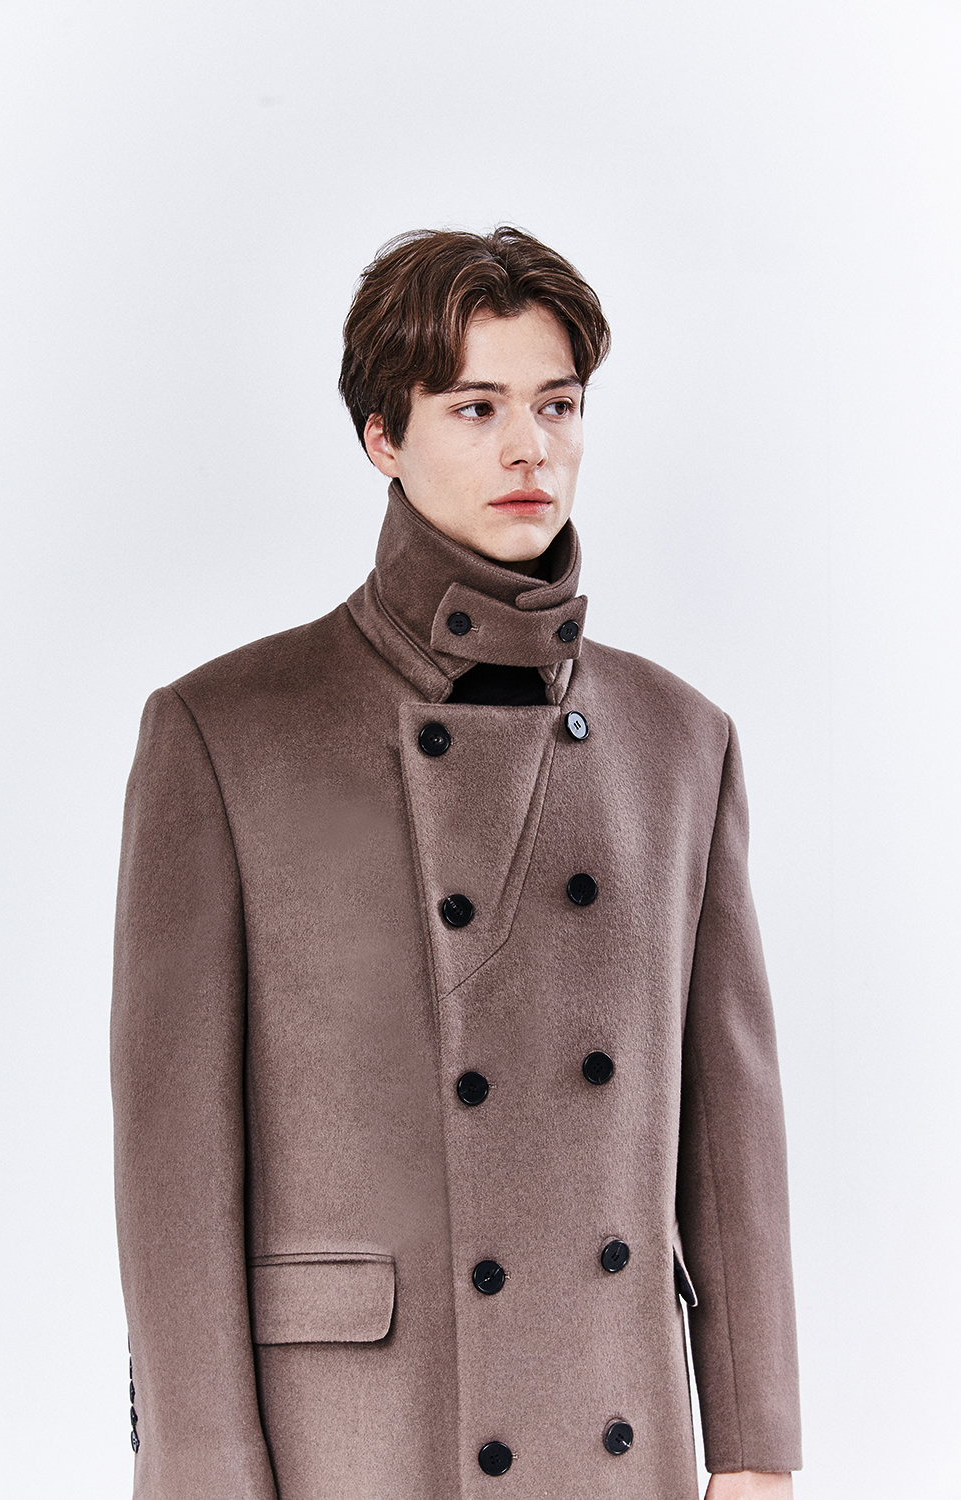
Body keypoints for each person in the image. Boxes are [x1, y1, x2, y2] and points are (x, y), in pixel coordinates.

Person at [111, 226, 801, 1499]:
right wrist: (200, 1469)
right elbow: (173, 1161)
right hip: (355, 1437)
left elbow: (731, 1127)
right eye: (475, 408)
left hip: (613, 1427)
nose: (529, 448)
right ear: (383, 435)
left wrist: (755, 1448)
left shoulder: (681, 740)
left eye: (557, 405)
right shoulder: (227, 731)